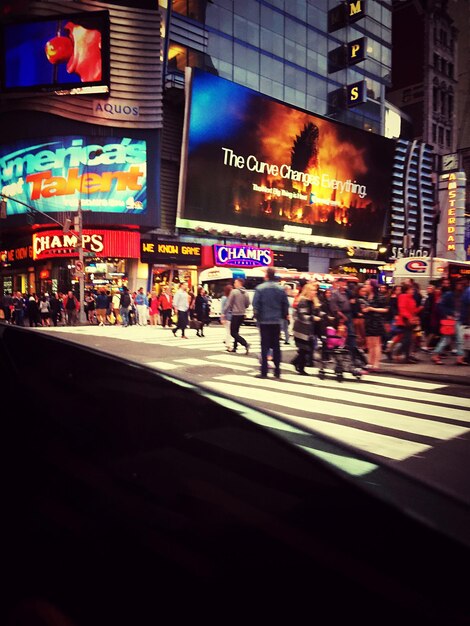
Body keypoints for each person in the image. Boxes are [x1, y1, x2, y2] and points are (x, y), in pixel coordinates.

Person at [252, 267, 289, 379]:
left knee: (265, 346)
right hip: (276, 321)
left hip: (264, 321)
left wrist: (257, 318)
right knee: (276, 346)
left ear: (266, 276)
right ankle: (277, 370)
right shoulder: (280, 289)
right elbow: (285, 305)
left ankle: (264, 371)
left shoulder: (260, 288)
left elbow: (255, 305)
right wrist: (282, 316)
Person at [431, 277, 468, 366]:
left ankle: (438, 354)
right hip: (451, 320)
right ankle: (438, 354)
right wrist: (448, 314)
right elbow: (440, 305)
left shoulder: (459, 294)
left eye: (461, 284)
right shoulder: (449, 294)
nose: (460, 286)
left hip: (456, 319)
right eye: (459, 284)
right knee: (451, 339)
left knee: (453, 339)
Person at [291, 282, 321, 375]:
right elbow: (302, 316)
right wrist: (313, 318)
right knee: (305, 349)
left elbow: (316, 312)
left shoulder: (313, 302)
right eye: (312, 290)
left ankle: (297, 363)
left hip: (309, 329)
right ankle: (301, 368)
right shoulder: (303, 301)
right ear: (308, 291)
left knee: (305, 349)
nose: (314, 292)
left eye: (315, 290)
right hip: (301, 329)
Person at [360, 280, 389, 372]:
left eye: (367, 284)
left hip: (376, 321)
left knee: (376, 343)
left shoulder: (380, 297)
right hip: (368, 321)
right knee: (369, 343)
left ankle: (376, 363)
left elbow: (385, 310)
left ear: (372, 286)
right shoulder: (366, 297)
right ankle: (370, 362)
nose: (365, 286)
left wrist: (372, 309)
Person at [225, 277, 250, 354]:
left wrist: (224, 312)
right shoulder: (246, 292)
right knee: (236, 331)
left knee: (233, 332)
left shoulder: (234, 292)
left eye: (235, 282)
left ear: (239, 283)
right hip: (242, 314)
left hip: (235, 314)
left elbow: (229, 303)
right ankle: (235, 347)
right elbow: (247, 304)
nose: (234, 284)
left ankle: (245, 343)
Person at [220, 283, 233, 350]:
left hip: (231, 316)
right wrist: (222, 317)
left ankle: (226, 341)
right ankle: (228, 345)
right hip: (226, 316)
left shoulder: (231, 297)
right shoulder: (224, 298)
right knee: (229, 332)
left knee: (229, 331)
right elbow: (222, 308)